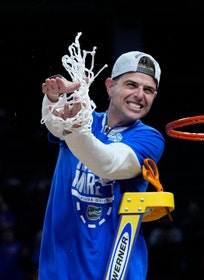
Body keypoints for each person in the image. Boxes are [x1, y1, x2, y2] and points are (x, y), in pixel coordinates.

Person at [38, 47, 164, 280]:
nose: (140, 95)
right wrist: (53, 97)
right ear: (110, 86)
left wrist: (75, 128)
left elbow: (109, 163)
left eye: (149, 90)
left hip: (117, 269)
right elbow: (55, 123)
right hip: (61, 267)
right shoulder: (86, 118)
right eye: (131, 85)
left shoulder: (150, 138)